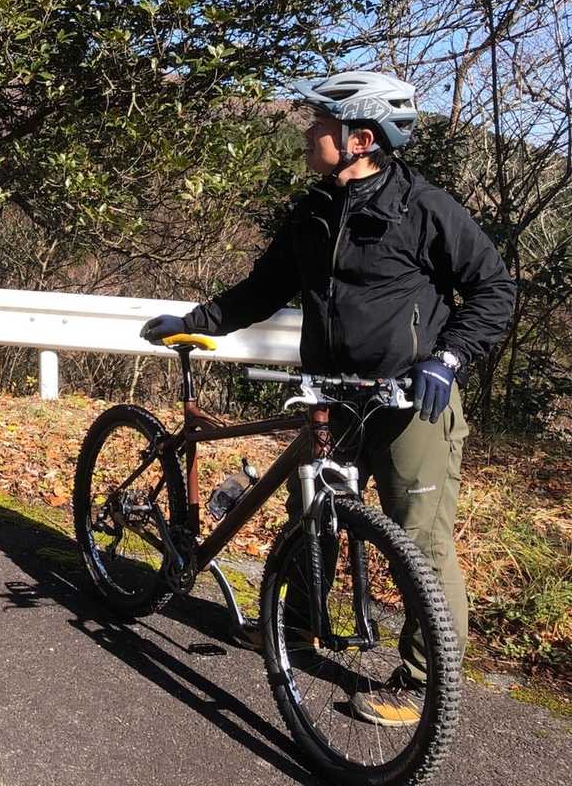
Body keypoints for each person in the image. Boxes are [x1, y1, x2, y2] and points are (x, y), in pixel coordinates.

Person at [140, 70, 515, 727]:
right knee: (310, 514)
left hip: (410, 403)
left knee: (419, 544)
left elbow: (493, 290)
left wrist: (448, 358)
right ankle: (297, 623)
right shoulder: (313, 209)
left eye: (320, 124)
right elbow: (263, 288)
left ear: (359, 139)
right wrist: (196, 319)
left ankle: (423, 682)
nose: (309, 132)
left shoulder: (425, 208)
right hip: (332, 395)